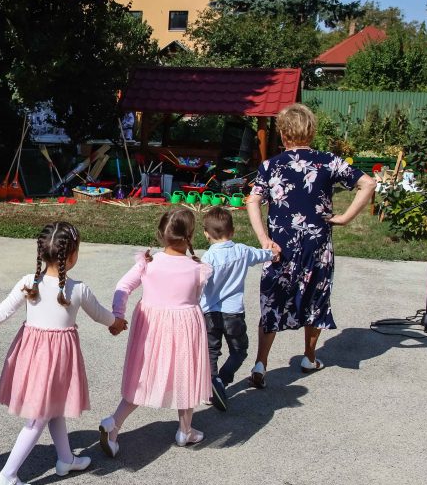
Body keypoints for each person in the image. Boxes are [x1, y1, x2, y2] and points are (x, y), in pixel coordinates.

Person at [0, 222, 123, 485]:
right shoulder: (78, 290)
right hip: (56, 361)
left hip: (32, 357)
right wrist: (117, 323)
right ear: (73, 254)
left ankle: (66, 459)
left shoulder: (30, 282)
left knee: (53, 408)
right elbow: (101, 315)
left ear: (41, 253)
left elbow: (4, 309)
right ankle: (7, 475)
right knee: (39, 417)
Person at [246, 103, 376, 388]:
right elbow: (368, 183)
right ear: (311, 131)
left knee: (272, 300)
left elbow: (252, 201)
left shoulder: (270, 166)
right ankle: (309, 357)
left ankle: (261, 363)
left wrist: (263, 240)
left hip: (279, 246)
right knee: (315, 298)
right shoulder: (328, 161)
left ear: (282, 133)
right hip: (317, 245)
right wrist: (344, 218)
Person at [98, 208, 212, 457]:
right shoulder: (198, 269)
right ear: (191, 235)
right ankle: (185, 430)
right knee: (186, 376)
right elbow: (197, 296)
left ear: (161, 234)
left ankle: (114, 423)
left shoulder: (148, 263)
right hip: (185, 327)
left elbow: (123, 286)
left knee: (143, 376)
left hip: (151, 328)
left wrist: (119, 314)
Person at [199, 207, 278, 411]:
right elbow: (263, 255)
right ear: (232, 231)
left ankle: (211, 385)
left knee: (211, 351)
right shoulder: (242, 251)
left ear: (206, 233)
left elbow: (197, 284)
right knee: (239, 350)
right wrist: (273, 253)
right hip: (233, 313)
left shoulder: (207, 259)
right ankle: (222, 381)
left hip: (209, 313)